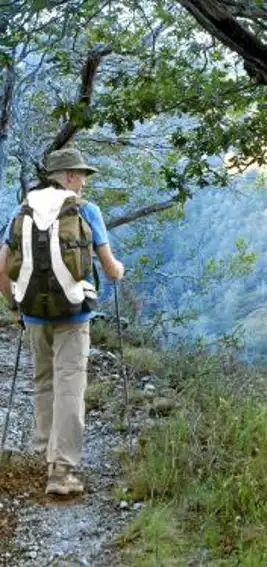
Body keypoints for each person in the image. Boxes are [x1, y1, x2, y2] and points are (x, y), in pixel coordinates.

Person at [0, 147, 125, 496]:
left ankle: (44, 453)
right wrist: (118, 272)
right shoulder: (86, 210)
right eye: (81, 174)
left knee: (43, 381)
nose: (84, 181)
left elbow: (1, 267)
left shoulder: (21, 210)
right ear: (69, 176)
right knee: (70, 383)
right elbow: (110, 267)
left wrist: (16, 307)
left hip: (34, 314)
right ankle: (63, 470)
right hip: (74, 313)